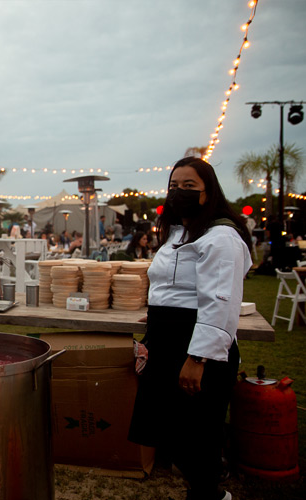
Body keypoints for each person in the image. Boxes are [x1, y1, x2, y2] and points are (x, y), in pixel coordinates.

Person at [128, 157, 252, 500]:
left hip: (196, 345)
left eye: (188, 187)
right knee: (167, 430)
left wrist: (199, 357)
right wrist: (158, 315)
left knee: (197, 433)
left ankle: (209, 493)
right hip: (168, 337)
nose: (177, 193)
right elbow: (173, 284)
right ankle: (205, 489)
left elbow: (221, 300)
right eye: (173, 186)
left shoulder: (222, 236)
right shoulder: (179, 232)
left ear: (207, 193)